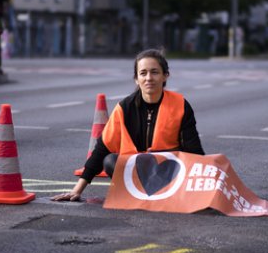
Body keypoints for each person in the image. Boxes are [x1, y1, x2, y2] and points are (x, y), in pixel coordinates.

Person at [52, 49, 205, 202]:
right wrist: (77, 190)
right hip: (137, 171)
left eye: (155, 72)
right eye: (143, 73)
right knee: (109, 161)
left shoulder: (180, 105)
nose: (149, 78)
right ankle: (142, 192)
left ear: (166, 75)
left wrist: (203, 190)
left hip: (170, 170)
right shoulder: (125, 108)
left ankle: (159, 193)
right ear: (136, 79)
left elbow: (194, 150)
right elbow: (101, 149)